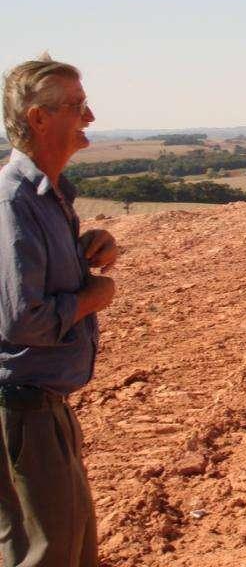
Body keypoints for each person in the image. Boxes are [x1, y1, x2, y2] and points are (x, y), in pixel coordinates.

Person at [0, 53, 118, 567]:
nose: (89, 116)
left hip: (44, 404)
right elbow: (23, 320)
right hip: (21, 406)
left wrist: (92, 246)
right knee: (44, 555)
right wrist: (93, 297)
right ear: (38, 118)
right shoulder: (13, 202)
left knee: (72, 547)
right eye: (76, 105)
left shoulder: (48, 197)